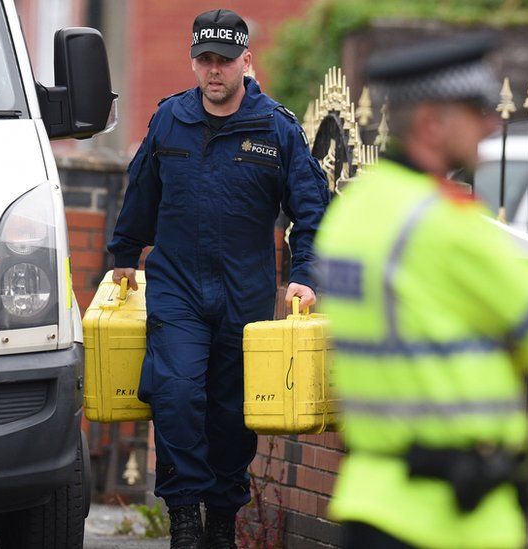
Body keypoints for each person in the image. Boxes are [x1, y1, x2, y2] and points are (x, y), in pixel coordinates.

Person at [316, 34, 528, 548]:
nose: (494, 122)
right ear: (431, 121)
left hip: (371, 498)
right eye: (478, 108)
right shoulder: (445, 223)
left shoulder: (351, 215)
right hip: (449, 518)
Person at [107, 8, 328, 548]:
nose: (214, 71)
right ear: (193, 62)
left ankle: (222, 521)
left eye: (225, 61)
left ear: (245, 62)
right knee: (177, 394)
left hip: (244, 292)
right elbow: (141, 193)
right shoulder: (169, 120)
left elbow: (312, 208)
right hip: (177, 287)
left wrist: (303, 273)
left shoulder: (276, 128)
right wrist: (123, 255)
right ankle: (184, 517)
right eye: (205, 60)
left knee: (232, 411)